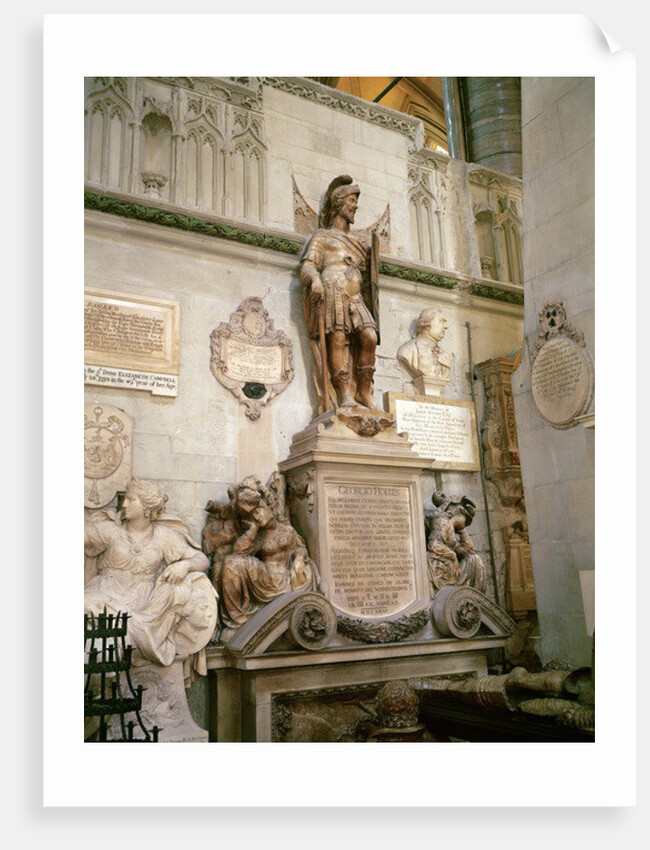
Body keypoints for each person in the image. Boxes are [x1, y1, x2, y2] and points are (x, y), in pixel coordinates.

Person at [84, 478, 217, 668]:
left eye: (131, 499)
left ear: (147, 507)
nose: (125, 504)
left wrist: (184, 566)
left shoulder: (164, 536)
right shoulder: (111, 531)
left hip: (141, 601)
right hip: (104, 591)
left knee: (112, 637)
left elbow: (201, 560)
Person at [300, 174, 379, 411]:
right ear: (338, 204)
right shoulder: (322, 236)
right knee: (337, 339)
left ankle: (364, 393)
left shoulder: (358, 243)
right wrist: (314, 280)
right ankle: (344, 393)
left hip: (355, 296)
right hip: (333, 290)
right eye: (352, 201)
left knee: (369, 337)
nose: (356, 206)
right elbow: (308, 265)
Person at [216, 476, 319, 640]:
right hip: (263, 577)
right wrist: (252, 529)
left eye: (258, 511)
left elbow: (300, 547)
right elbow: (238, 551)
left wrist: (299, 559)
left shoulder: (287, 529)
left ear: (269, 510)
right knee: (231, 563)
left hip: (285, 578)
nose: (256, 516)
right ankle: (237, 622)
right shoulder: (259, 536)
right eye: (252, 516)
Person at [426, 491, 487, 593]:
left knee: (474, 559)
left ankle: (470, 594)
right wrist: (453, 555)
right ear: (458, 512)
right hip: (440, 564)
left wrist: (462, 531)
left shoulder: (450, 525)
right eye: (465, 520)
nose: (466, 524)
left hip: (447, 562)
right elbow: (434, 545)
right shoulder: (442, 522)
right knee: (474, 559)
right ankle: (465, 593)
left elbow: (468, 550)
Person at [396, 307, 451, 383]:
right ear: (427, 324)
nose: (446, 327)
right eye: (441, 322)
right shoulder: (407, 351)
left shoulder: (445, 355)